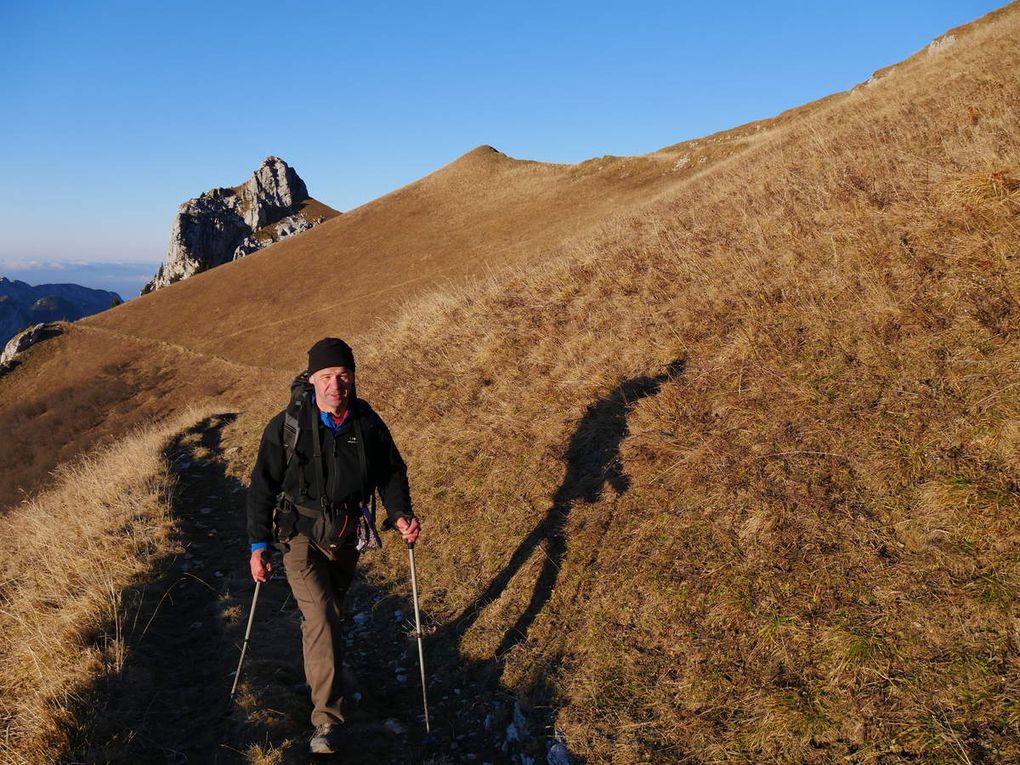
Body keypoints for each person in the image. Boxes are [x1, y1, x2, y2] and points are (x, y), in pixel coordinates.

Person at [246, 337, 421, 755]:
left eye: (343, 375)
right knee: (322, 616)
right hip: (298, 535)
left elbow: (391, 472)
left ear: (353, 378)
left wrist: (399, 514)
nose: (335, 385)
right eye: (326, 377)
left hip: (346, 533)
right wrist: (258, 544)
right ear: (311, 380)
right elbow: (261, 487)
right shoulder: (287, 426)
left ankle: (328, 676)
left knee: (331, 615)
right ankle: (326, 720)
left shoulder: (366, 422)